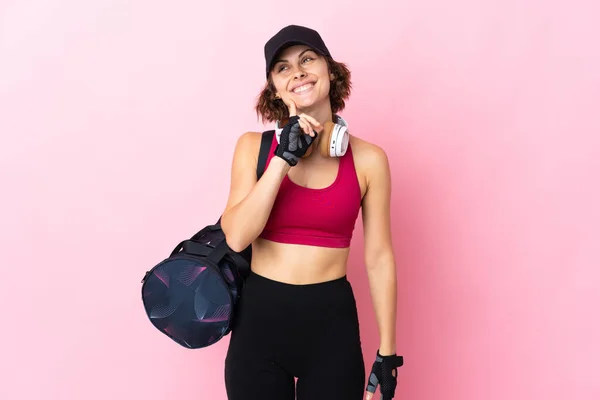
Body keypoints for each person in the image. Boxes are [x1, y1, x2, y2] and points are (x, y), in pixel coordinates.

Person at [220, 24, 403, 400]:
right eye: (283, 68)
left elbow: (379, 257)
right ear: (274, 88)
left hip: (330, 327)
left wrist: (387, 354)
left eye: (307, 59)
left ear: (331, 71)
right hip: (259, 325)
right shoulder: (253, 148)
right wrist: (283, 158)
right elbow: (237, 236)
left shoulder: (369, 160)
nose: (298, 72)